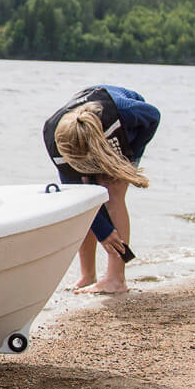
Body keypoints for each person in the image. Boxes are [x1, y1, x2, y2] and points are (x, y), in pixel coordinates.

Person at [42, 85, 161, 294]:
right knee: (84, 198)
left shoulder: (124, 112)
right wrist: (103, 231)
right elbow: (79, 199)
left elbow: (153, 116)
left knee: (113, 194)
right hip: (82, 139)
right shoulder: (54, 137)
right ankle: (88, 276)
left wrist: (129, 160)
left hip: (123, 134)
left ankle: (116, 279)